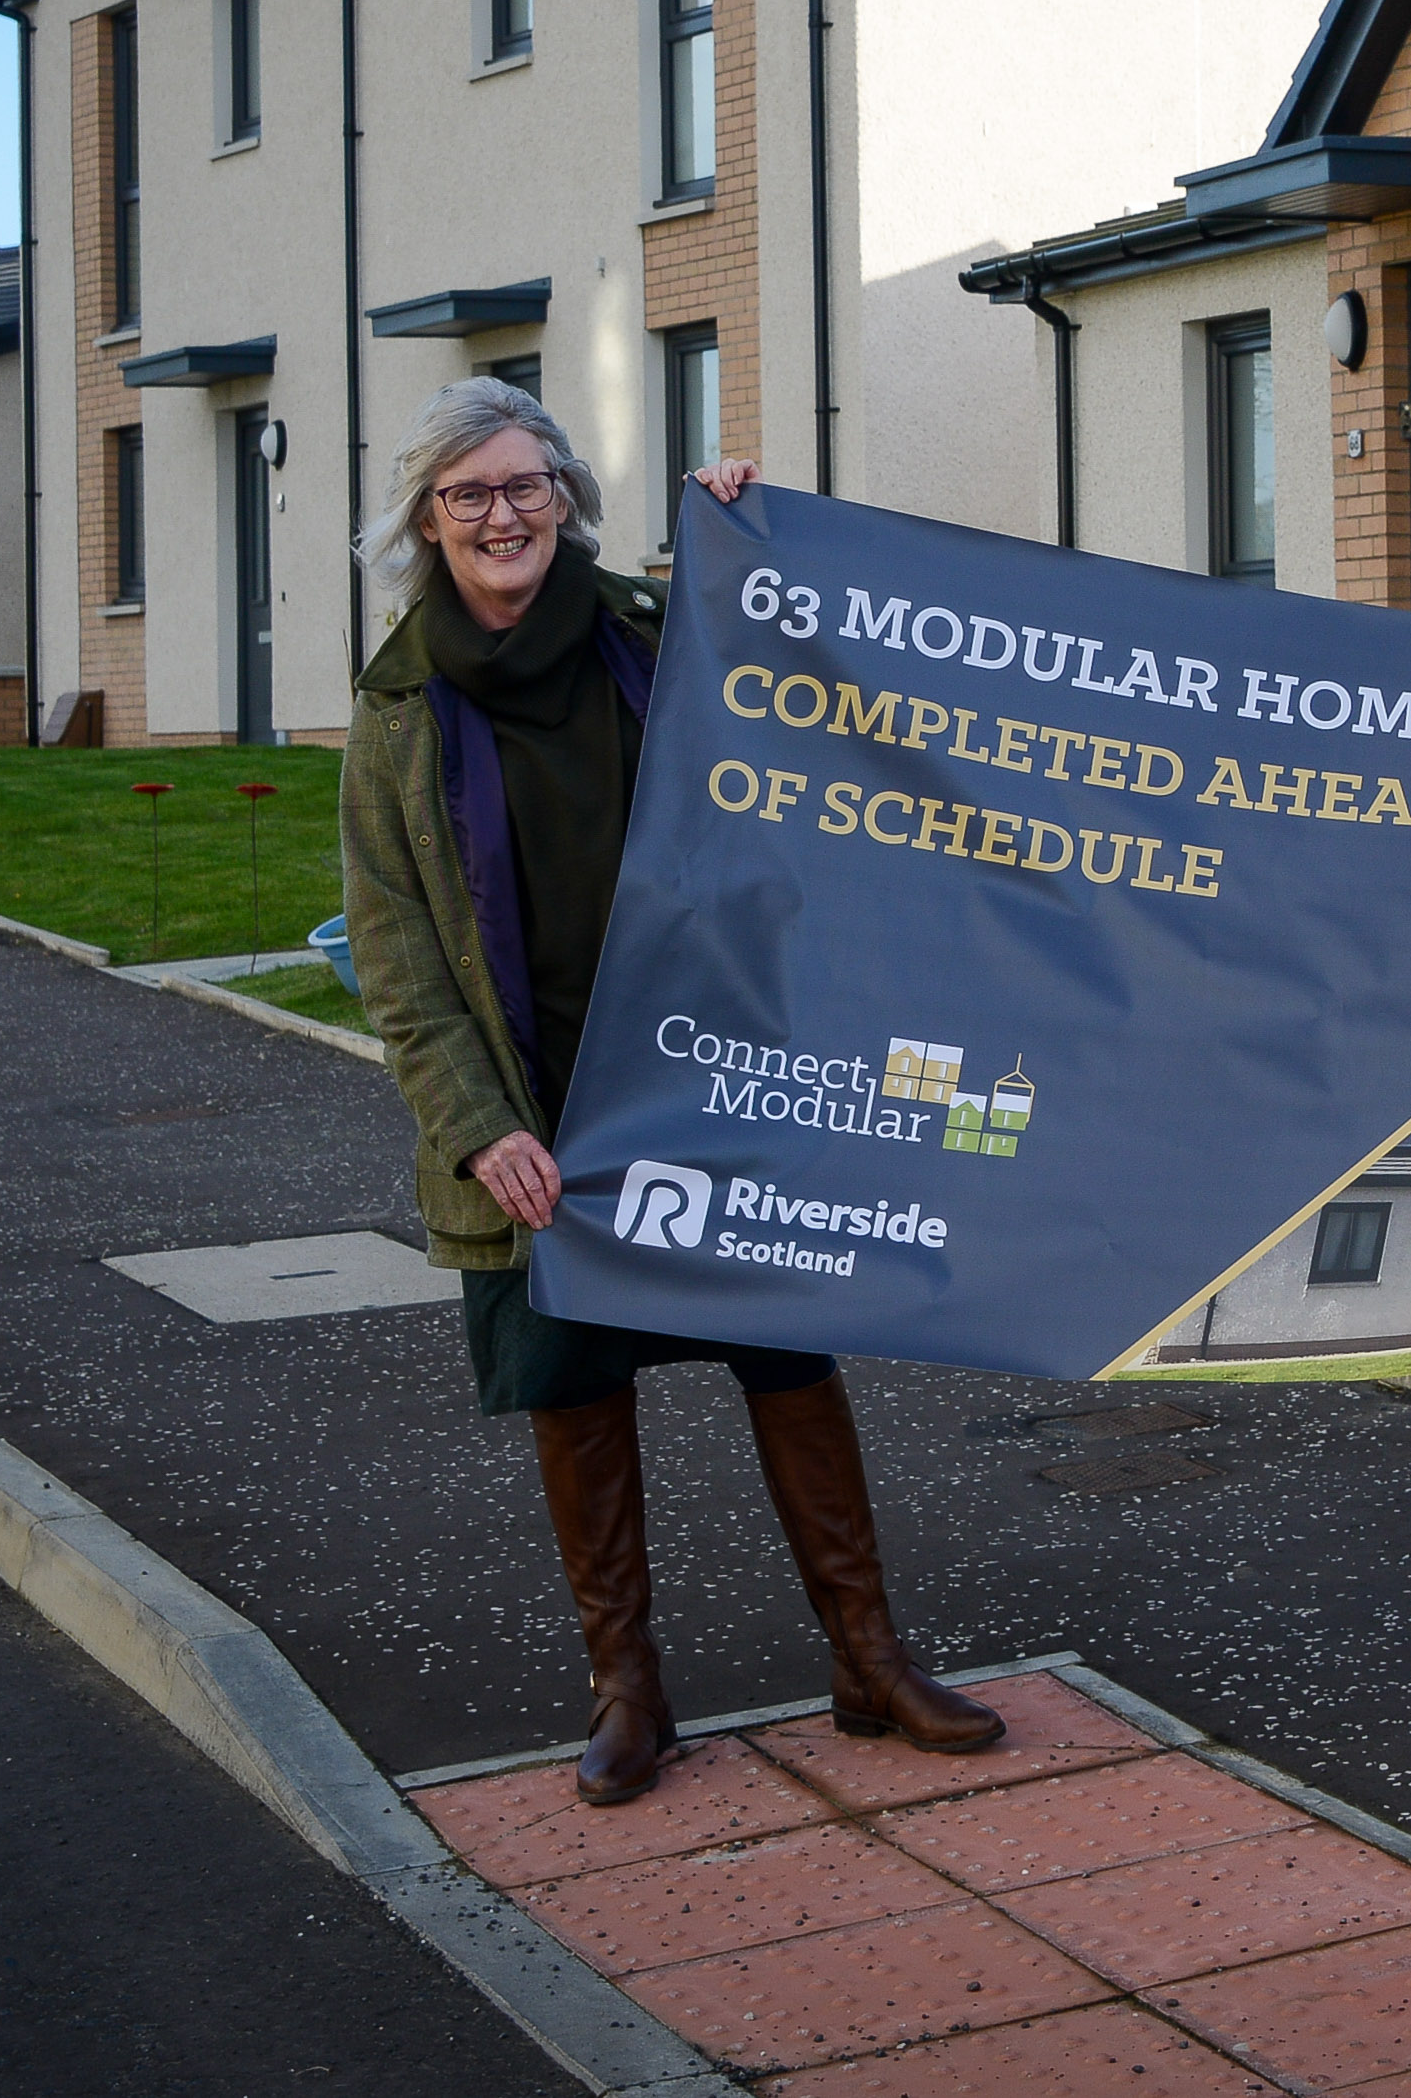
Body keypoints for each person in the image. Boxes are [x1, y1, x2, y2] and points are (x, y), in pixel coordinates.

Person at [339, 378, 998, 1806]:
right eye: (469, 495)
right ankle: (628, 1691)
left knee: (786, 1356)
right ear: (429, 523)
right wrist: (476, 1126)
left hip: (707, 1080)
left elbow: (815, 697)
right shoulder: (399, 712)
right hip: (538, 1113)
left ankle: (867, 1658)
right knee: (574, 1388)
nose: (501, 515)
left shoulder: (658, 637)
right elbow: (397, 952)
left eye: (524, 486)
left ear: (567, 497)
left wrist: (750, 536)